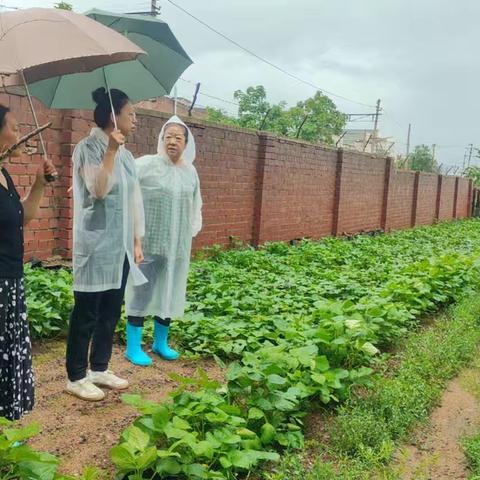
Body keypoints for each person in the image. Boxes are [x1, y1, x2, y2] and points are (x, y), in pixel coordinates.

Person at [65, 88, 145, 401]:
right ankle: (75, 375)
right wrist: (110, 151)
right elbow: (98, 190)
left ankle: (99, 367)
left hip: (120, 246)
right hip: (96, 245)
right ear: (114, 117)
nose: (135, 120)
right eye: (131, 114)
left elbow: (134, 199)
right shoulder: (88, 148)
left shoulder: (127, 156)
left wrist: (137, 239)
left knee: (111, 311)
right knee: (86, 312)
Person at [124, 115, 202, 366]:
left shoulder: (190, 172)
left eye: (178, 137)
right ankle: (133, 346)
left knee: (170, 292)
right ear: (161, 140)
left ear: (186, 143)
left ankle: (160, 342)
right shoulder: (146, 165)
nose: (172, 142)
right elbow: (121, 178)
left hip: (177, 247)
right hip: (148, 245)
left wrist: (188, 233)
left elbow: (195, 205)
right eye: (168, 136)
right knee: (141, 293)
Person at [0, 105, 57, 419]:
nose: (20, 134)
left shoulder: (4, 174)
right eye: (14, 127)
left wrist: (39, 183)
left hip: (10, 282)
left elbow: (22, 217)